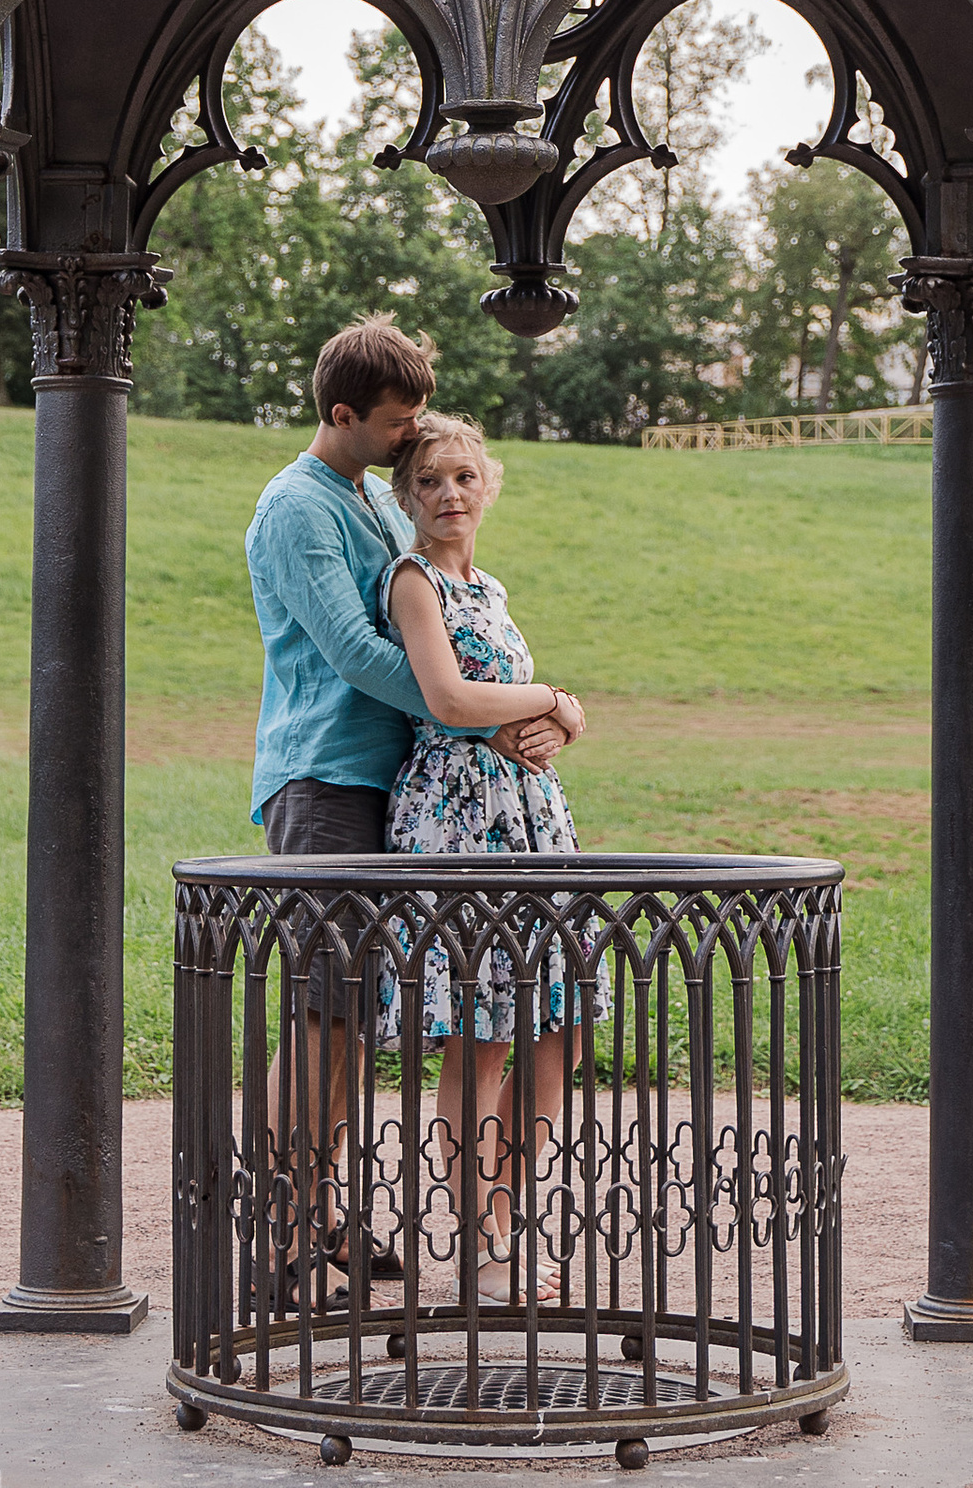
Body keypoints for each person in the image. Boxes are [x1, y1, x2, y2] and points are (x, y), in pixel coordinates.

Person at [244, 321, 576, 1295]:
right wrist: (492, 718)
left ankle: (325, 1215)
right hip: (324, 777)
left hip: (388, 781)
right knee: (323, 1013)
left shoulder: (365, 501)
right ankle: (285, 1232)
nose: (411, 440)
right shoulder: (298, 506)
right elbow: (356, 652)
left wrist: (500, 718)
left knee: (352, 1018)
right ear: (344, 413)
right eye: (397, 424)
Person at [374, 411, 588, 1294]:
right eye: (429, 481)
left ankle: (506, 1212)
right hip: (458, 816)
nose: (449, 494)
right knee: (484, 1033)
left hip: (530, 816)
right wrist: (555, 699)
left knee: (557, 1031)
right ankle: (478, 1238)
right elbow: (449, 700)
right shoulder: (412, 581)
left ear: (488, 484)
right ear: (407, 497)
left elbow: (502, 702)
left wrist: (556, 724)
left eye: (464, 476)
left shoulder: (488, 587)